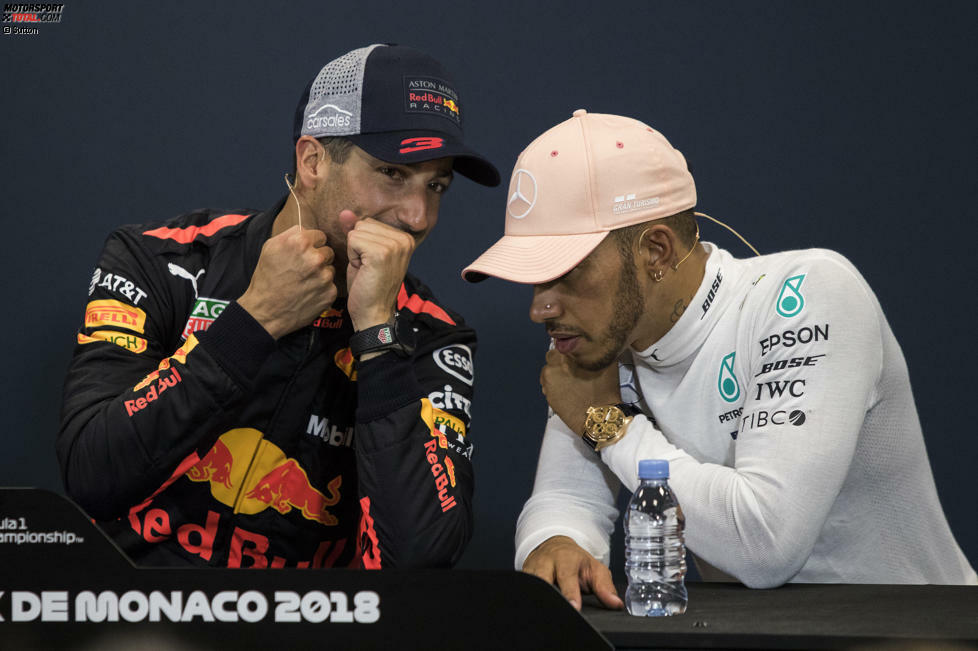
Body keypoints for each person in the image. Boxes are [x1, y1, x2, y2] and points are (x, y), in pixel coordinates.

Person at [463, 109, 977, 608]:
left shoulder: (811, 293)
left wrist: (613, 428)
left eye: (566, 272)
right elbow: (568, 500)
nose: (540, 308)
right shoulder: (595, 334)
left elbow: (765, 543)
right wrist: (555, 542)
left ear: (656, 251)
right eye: (534, 276)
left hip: (921, 637)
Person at [58, 44, 499, 569]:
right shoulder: (162, 261)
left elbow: (420, 560)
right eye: (393, 174)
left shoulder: (433, 334)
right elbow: (92, 475)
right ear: (312, 160)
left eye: (436, 185)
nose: (418, 214)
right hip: (135, 616)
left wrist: (379, 334)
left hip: (306, 630)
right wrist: (253, 321)